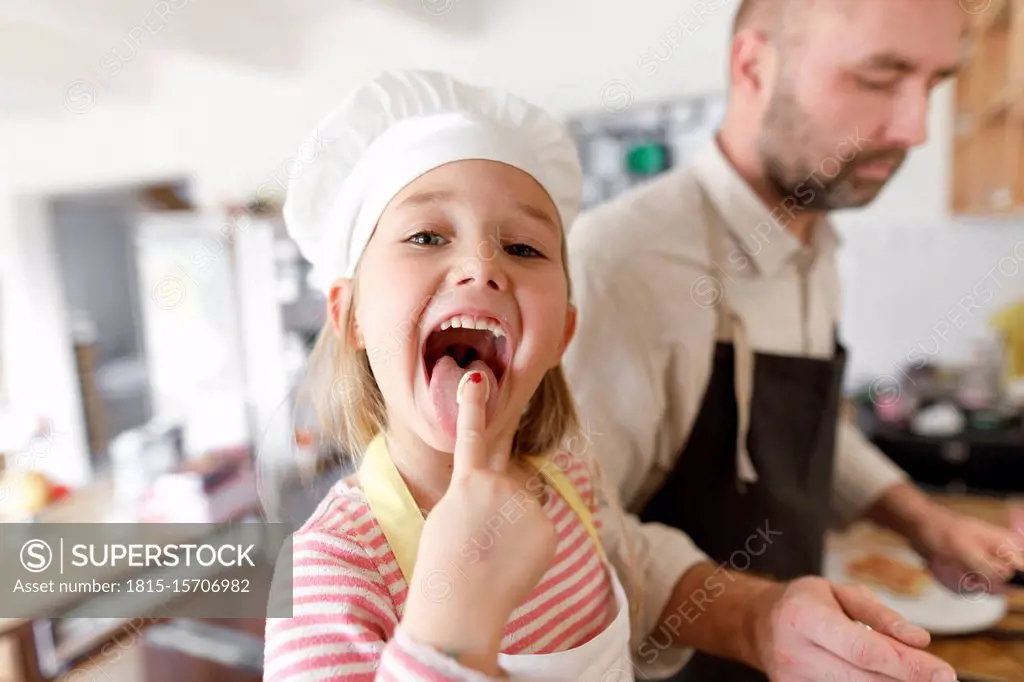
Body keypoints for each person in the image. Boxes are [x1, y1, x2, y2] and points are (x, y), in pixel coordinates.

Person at [562, 1, 1024, 681]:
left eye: (933, 83)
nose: (915, 128)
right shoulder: (623, 262)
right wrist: (753, 619)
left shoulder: (817, 240)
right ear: (753, 65)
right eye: (878, 78)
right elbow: (566, 527)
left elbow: (800, 439)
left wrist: (923, 522)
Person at [263, 69, 638, 681]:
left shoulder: (569, 480)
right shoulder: (329, 570)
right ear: (349, 316)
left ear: (561, 337)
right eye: (427, 235)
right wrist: (453, 624)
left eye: (523, 248)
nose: (481, 266)